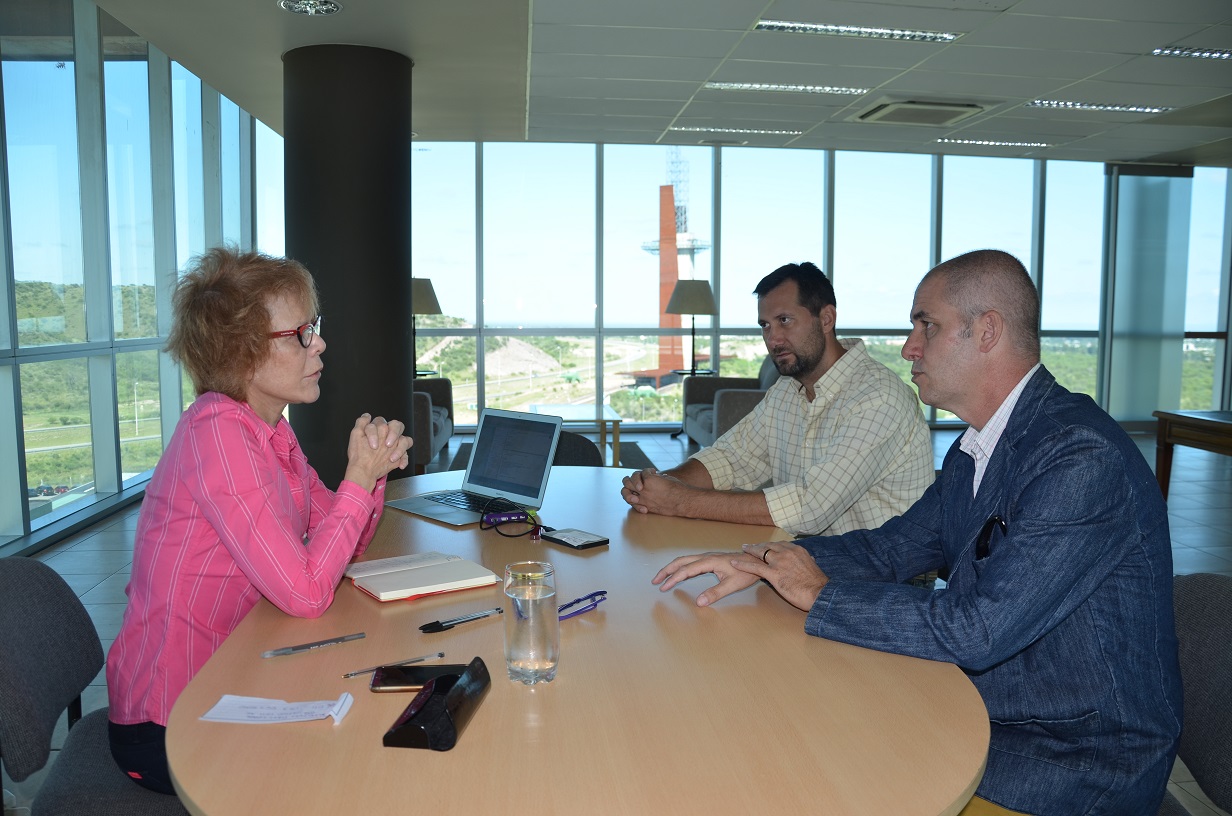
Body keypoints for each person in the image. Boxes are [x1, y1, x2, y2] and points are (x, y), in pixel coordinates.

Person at [653, 249, 1182, 816]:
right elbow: (893, 546)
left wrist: (822, 594)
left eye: (925, 325)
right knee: (789, 738)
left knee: (825, 779)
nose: (908, 346)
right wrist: (765, 558)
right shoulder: (977, 446)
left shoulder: (1080, 458)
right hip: (996, 711)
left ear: (987, 331)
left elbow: (978, 630)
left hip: (1074, 759)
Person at [106, 247, 413, 795]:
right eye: (301, 334)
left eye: (314, 328)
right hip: (168, 724)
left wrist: (372, 471)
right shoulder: (217, 433)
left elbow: (347, 543)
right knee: (346, 772)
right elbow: (307, 591)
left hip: (235, 679)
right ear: (242, 354)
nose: (318, 344)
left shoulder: (269, 431)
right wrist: (358, 482)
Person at [622, 262, 933, 536]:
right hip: (806, 559)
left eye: (784, 320)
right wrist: (658, 484)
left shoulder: (879, 398)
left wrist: (680, 501)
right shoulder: (787, 391)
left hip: (884, 583)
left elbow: (811, 507)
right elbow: (732, 459)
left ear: (826, 319)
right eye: (765, 325)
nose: (772, 338)